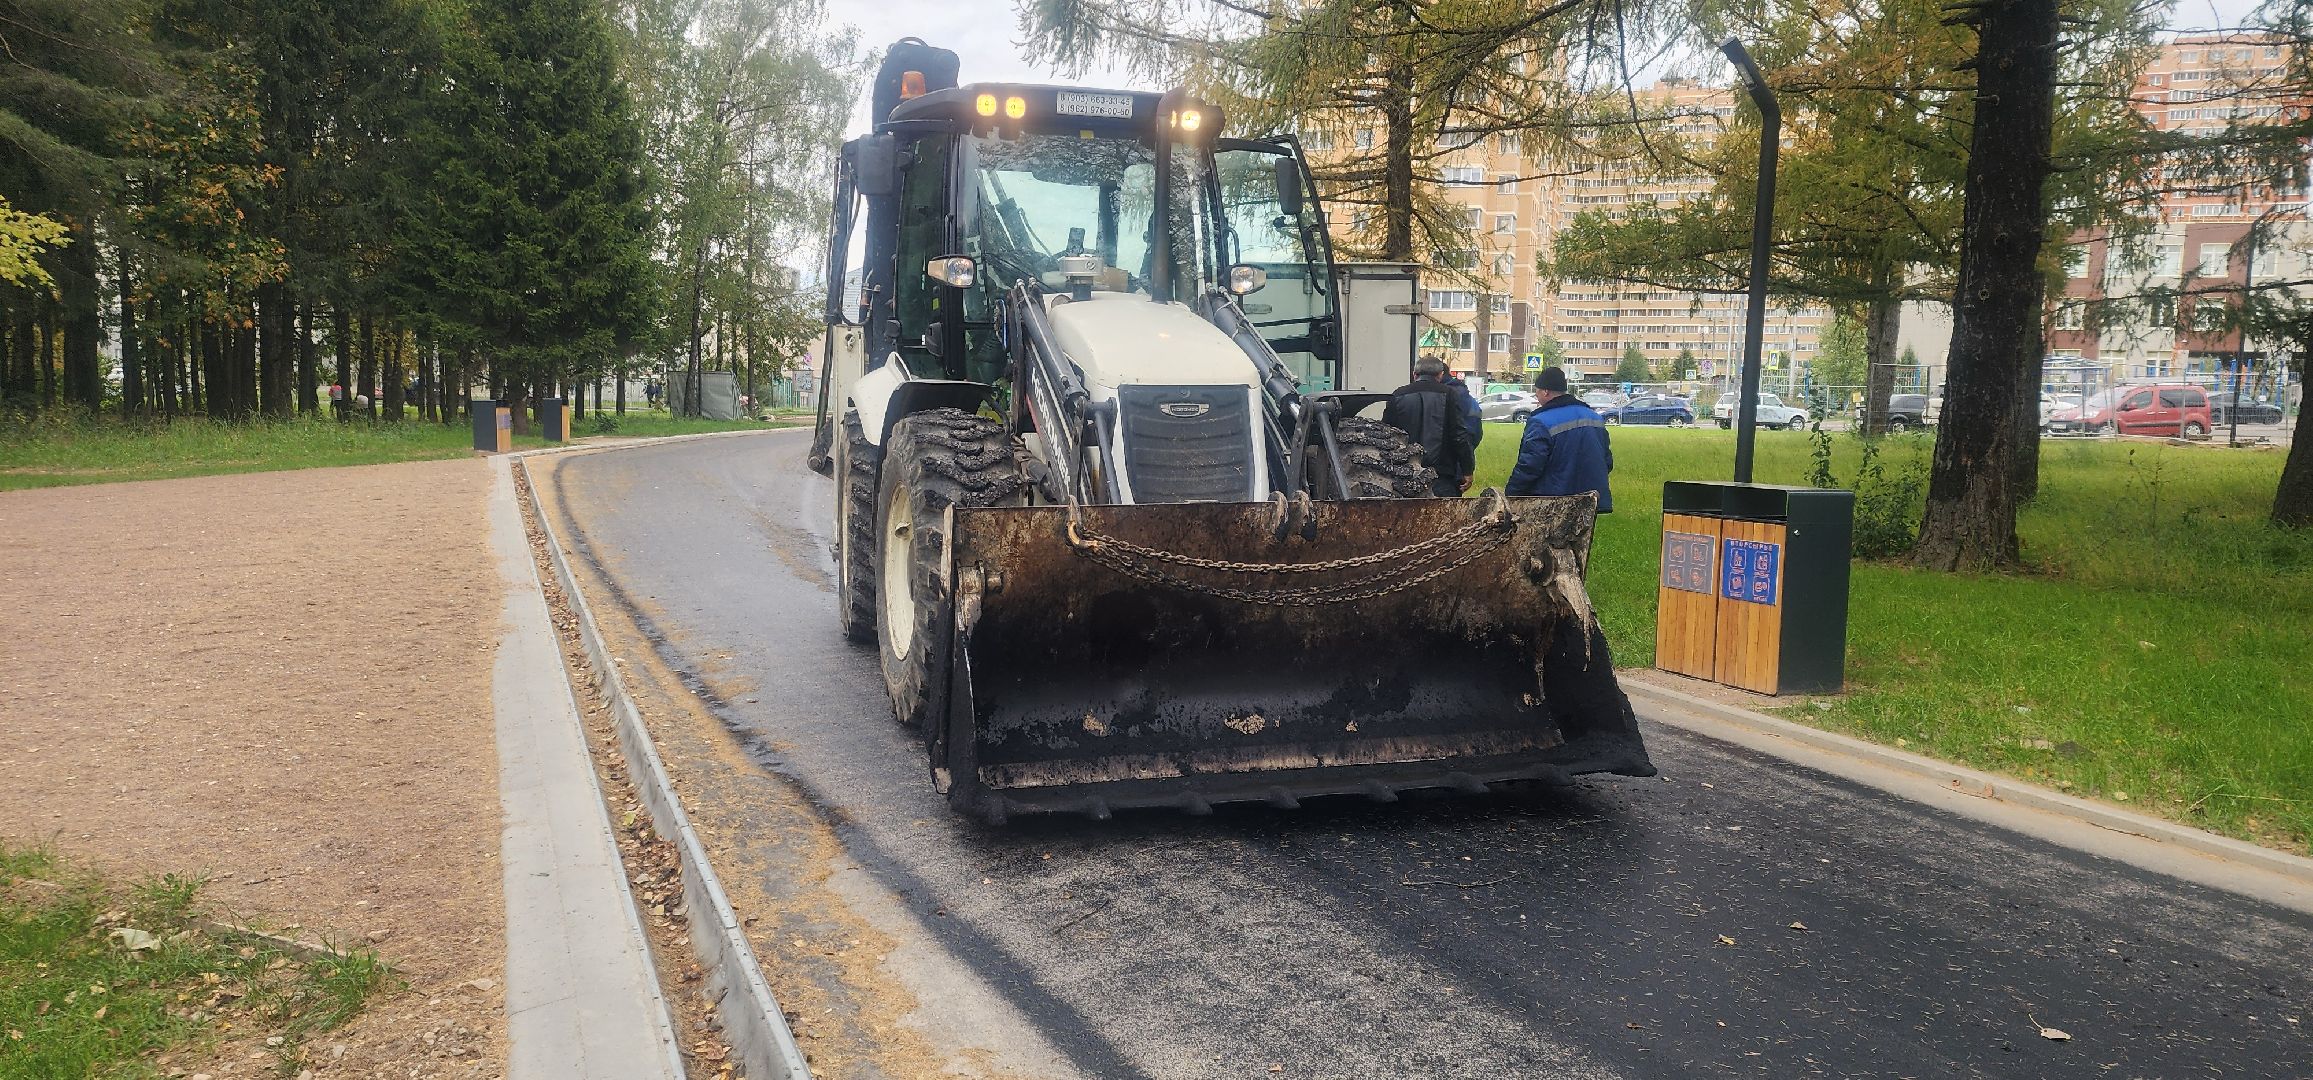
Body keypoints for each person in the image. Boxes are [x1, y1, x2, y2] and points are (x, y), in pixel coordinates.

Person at [1507, 366, 1614, 512]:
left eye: (1537, 391)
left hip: (1553, 503)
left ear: (1546, 391)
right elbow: (1607, 461)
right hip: (1590, 501)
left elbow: (1530, 466)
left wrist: (1511, 495)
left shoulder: (1541, 421)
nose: (1536, 397)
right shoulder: (1594, 417)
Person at [1382, 356, 1475, 497]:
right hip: (1441, 475)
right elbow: (1459, 435)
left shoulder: (1398, 395)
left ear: (1415, 374)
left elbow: (1386, 434)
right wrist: (1467, 470)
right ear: (1440, 375)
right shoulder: (1449, 394)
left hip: (1403, 474)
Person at [1442, 370, 1483, 450]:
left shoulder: (1441, 394)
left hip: (1445, 451)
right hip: (1466, 446)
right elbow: (1477, 430)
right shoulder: (1468, 397)